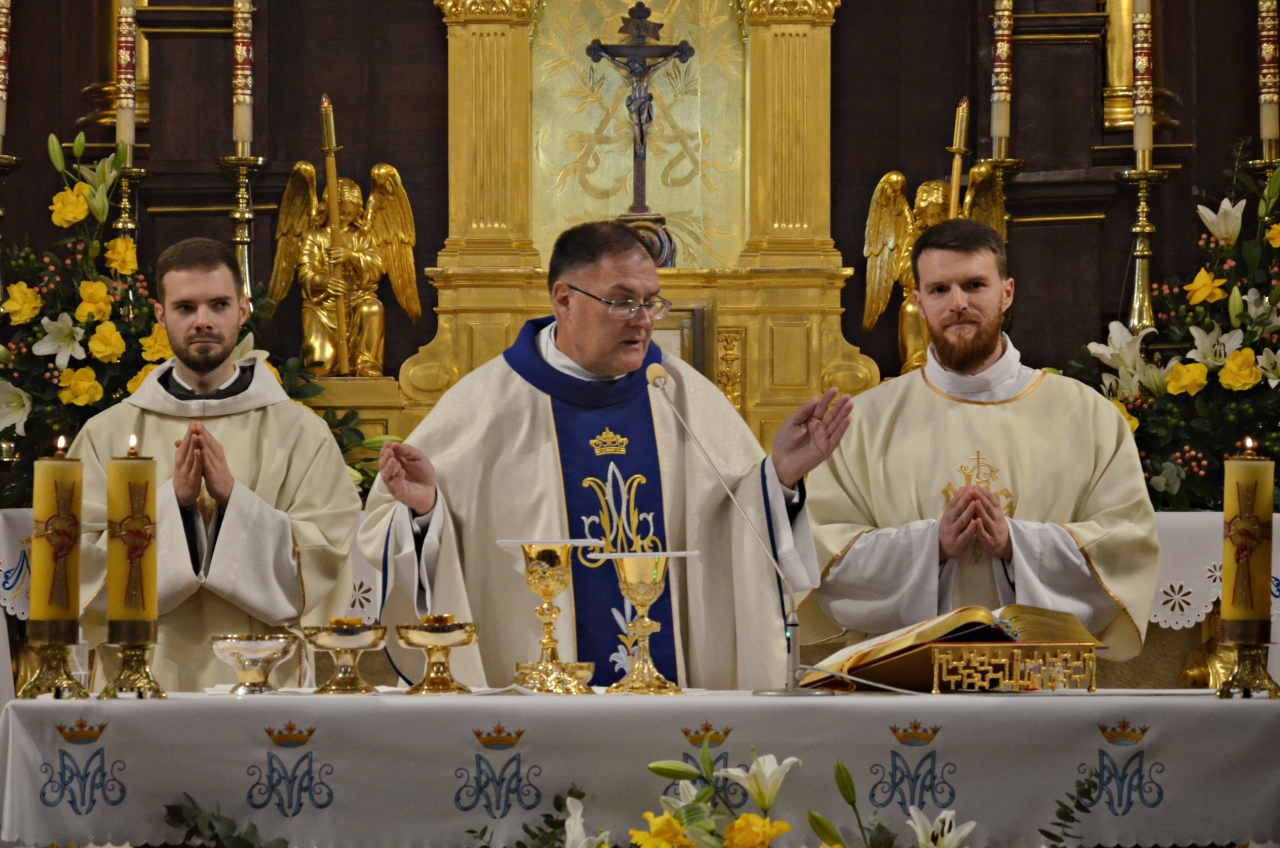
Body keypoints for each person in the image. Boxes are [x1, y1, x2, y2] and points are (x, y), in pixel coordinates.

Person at [359, 221, 852, 690]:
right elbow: (399, 541)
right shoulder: (485, 405)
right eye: (622, 302)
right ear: (564, 299)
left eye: (651, 302)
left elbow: (735, 529)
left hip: (670, 706)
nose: (643, 320)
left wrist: (779, 476)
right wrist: (424, 512)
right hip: (535, 711)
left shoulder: (678, 395)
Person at [808, 219, 1160, 661]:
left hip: (1039, 679)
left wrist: (1016, 545)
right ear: (919, 302)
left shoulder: (1087, 416)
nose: (958, 303)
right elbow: (825, 556)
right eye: (939, 290)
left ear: (1006, 293)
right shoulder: (862, 423)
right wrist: (930, 546)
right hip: (899, 679)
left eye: (974, 285)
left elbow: (1126, 545)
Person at [69, 237, 362, 691]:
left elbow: (331, 554)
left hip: (264, 677)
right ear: (160, 315)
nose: (202, 321)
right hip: (141, 678)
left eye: (219, 305)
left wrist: (233, 501)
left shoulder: (299, 432)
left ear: (243, 310)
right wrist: (174, 504)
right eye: (185, 307)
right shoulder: (106, 433)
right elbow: (74, 563)